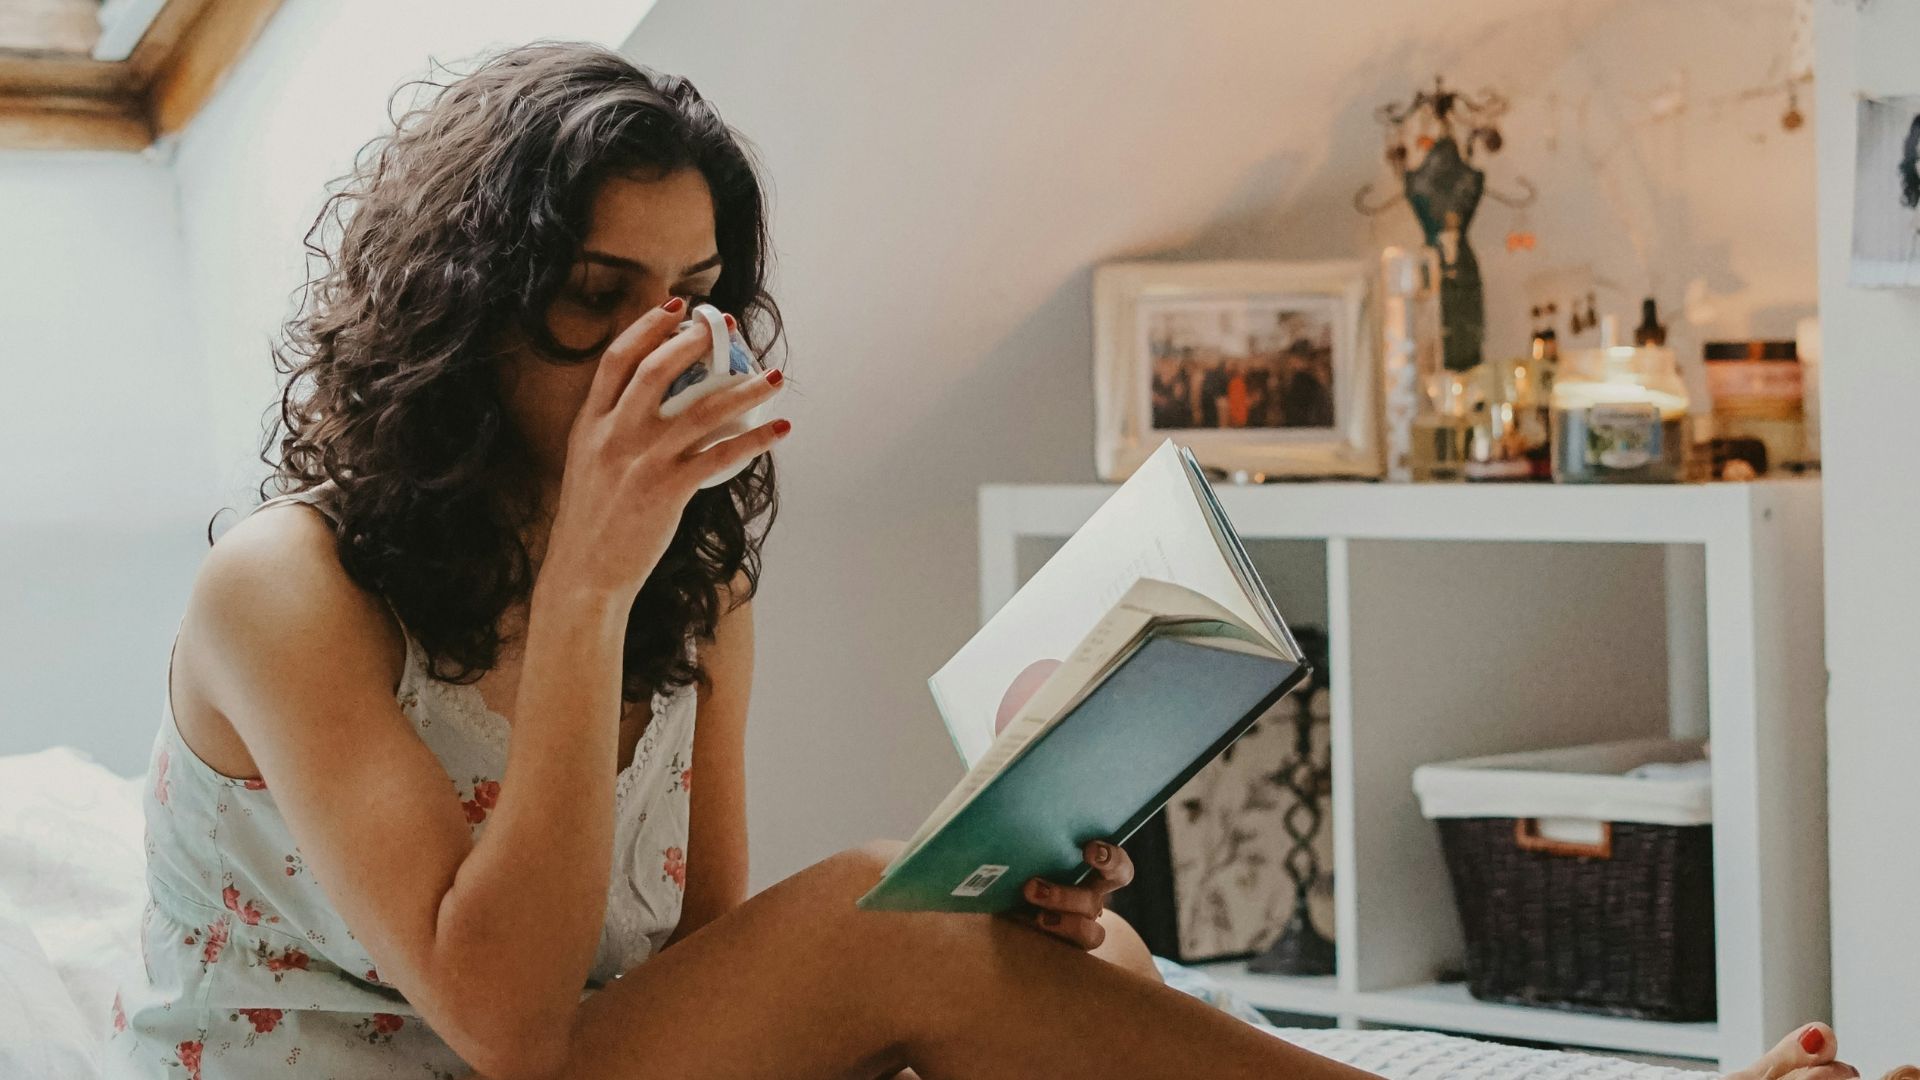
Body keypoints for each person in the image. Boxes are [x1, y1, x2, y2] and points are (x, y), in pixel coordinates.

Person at [106, 40, 1886, 1080]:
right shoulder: (288, 588)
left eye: (696, 303)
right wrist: (580, 589)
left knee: (1066, 972)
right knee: (908, 931)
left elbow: (706, 963)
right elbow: (501, 1019)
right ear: (462, 308)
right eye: (594, 300)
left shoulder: (695, 566)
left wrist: (997, 918)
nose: (663, 353)